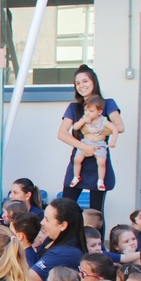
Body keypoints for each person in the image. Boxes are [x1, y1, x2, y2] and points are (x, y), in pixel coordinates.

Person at [57, 65, 124, 218]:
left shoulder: (108, 104)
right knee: (65, 209)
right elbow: (62, 133)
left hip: (99, 160)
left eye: (85, 81)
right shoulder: (74, 108)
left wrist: (96, 130)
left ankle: (95, 235)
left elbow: (120, 127)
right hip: (78, 160)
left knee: (96, 213)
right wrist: (84, 146)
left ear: (94, 81)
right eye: (78, 83)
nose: (81, 85)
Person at [29, 198, 87, 281]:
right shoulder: (54, 238)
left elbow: (27, 280)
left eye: (47, 219)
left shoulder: (64, 253)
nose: (42, 222)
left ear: (63, 225)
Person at [68, 95, 116, 191]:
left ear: (99, 112)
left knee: (101, 162)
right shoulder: (84, 119)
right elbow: (75, 127)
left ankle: (100, 181)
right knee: (77, 159)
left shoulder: (103, 121)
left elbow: (115, 129)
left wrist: (113, 141)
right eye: (86, 110)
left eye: (91, 111)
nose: (88, 113)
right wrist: (83, 121)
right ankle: (76, 176)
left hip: (99, 144)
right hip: (86, 142)